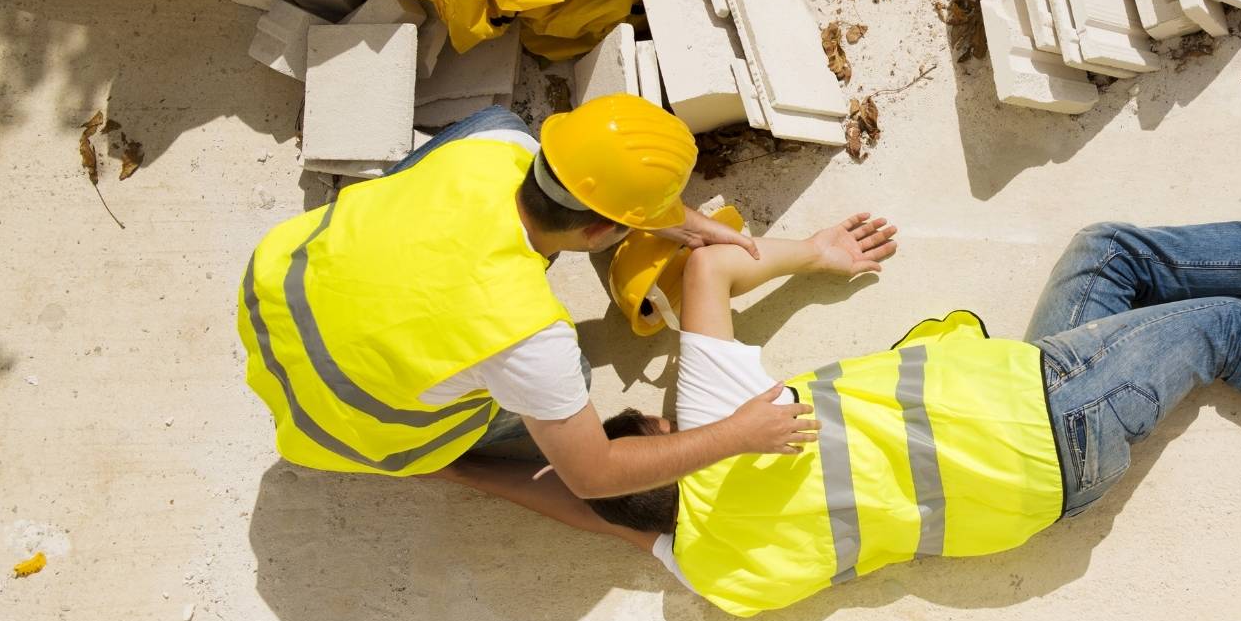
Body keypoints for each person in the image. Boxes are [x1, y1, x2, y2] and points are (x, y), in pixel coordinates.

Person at [557, 143, 1241, 617]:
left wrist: (445, 474)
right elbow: (705, 267)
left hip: (1030, 448)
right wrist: (813, 251)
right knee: (1223, 331)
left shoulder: (715, 573)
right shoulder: (719, 419)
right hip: (1043, 416)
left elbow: (592, 505)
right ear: (658, 427)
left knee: (1106, 253)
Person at [236, 94, 818, 508]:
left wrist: (682, 224)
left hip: (274, 301)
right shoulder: (528, 336)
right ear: (599, 232)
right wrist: (738, 435)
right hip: (345, 425)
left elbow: (577, 181)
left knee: (492, 115)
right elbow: (593, 476)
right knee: (573, 376)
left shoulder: (496, 146)